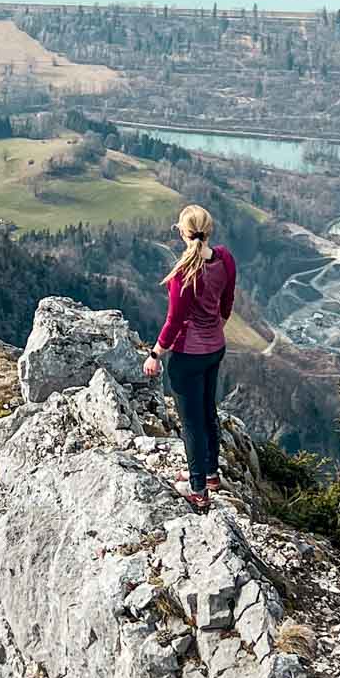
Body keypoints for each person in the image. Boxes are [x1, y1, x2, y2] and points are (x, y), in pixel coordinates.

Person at [143, 204, 236, 510]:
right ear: (209, 231)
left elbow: (174, 322)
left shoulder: (182, 275)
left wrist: (155, 354)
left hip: (188, 357)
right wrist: (215, 328)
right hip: (215, 349)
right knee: (208, 411)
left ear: (182, 232)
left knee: (192, 422)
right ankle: (210, 474)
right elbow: (227, 302)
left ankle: (198, 490)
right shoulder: (224, 258)